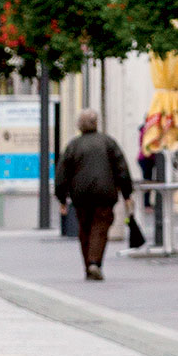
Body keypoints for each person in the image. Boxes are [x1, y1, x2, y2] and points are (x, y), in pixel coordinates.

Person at [55, 107, 133, 281]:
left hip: (80, 195)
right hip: (105, 194)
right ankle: (94, 263)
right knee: (100, 227)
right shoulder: (108, 143)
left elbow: (62, 173)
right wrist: (127, 193)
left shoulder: (73, 146)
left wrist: (61, 198)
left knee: (84, 229)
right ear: (96, 123)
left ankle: (89, 266)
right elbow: (122, 169)